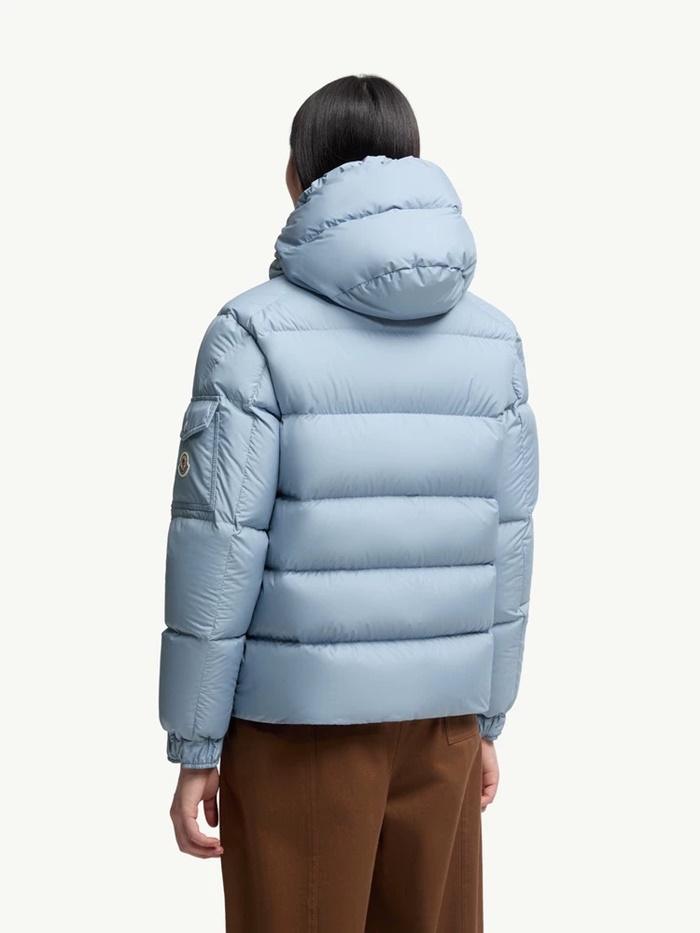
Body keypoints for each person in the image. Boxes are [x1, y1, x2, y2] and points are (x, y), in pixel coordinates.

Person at [159, 74, 539, 933]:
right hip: (443, 721)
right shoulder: (494, 340)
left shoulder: (251, 333)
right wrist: (486, 717)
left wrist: (195, 744)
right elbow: (510, 540)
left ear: (299, 177)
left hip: (298, 728)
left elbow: (218, 547)